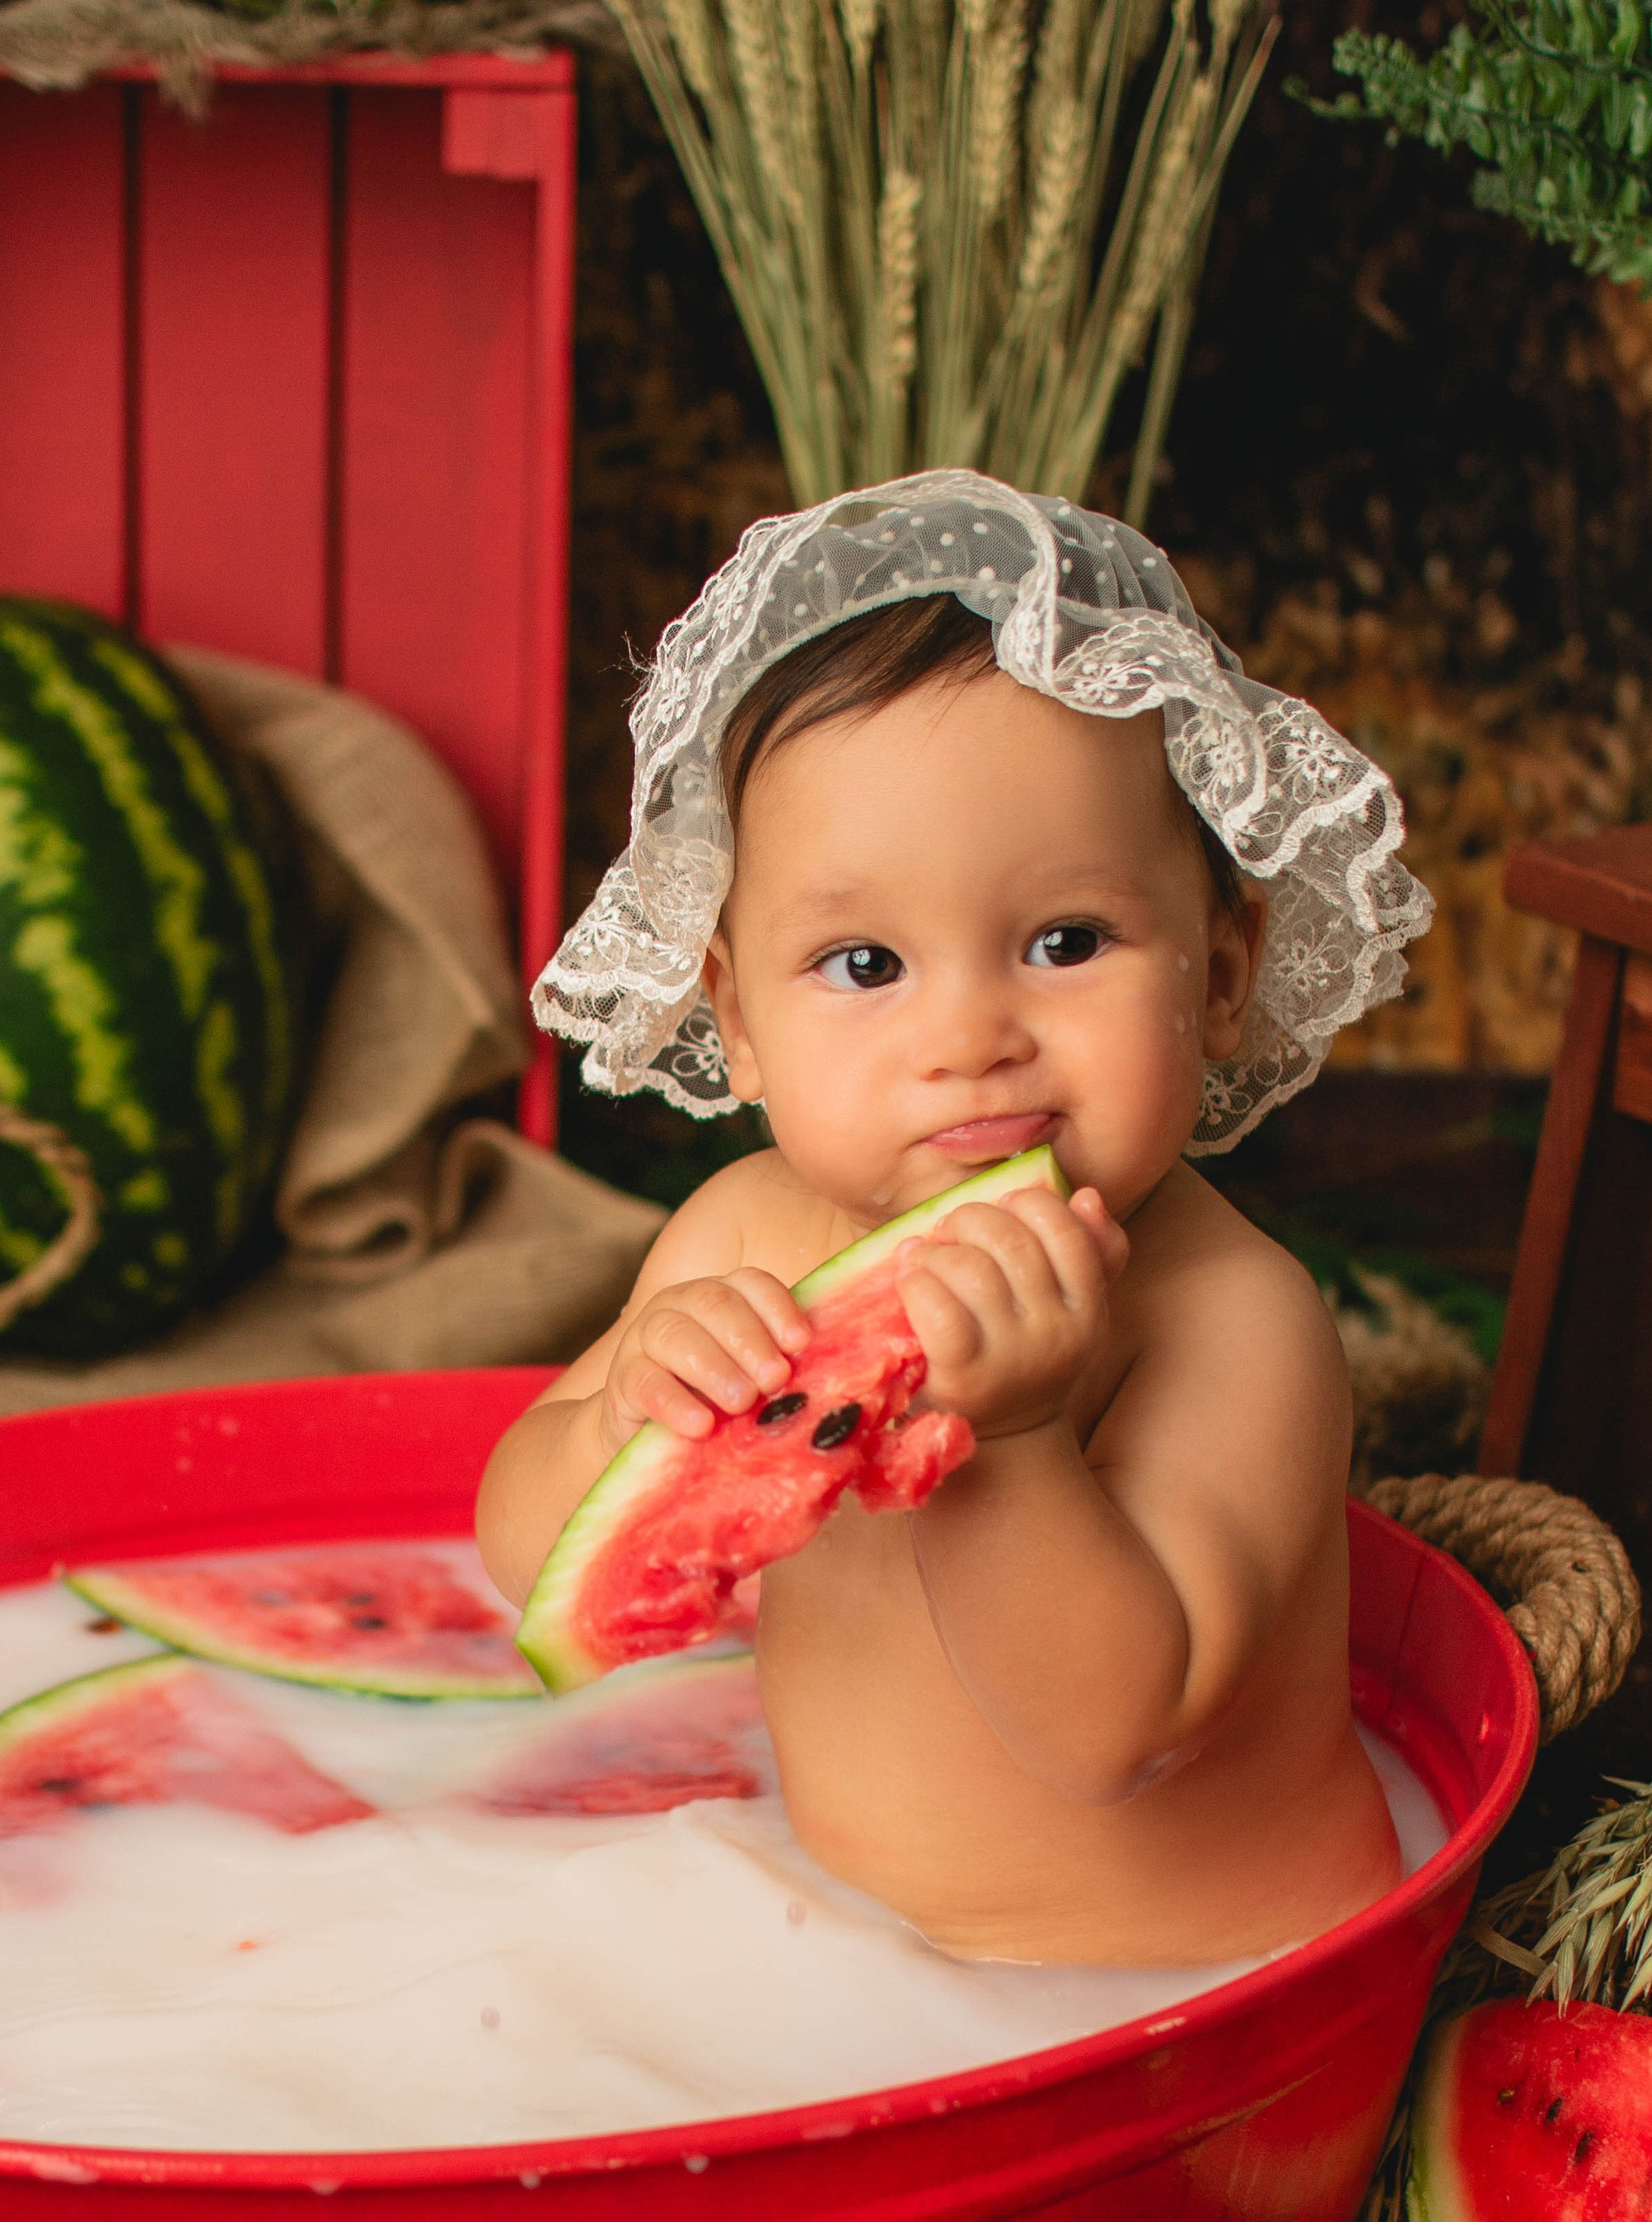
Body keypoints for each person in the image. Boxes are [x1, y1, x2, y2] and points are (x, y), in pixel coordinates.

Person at [478, 475, 1433, 1966]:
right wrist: (624, 1430)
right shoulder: (740, 1233)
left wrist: (1026, 1438)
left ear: (1224, 969)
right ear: (731, 1016)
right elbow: (528, 1551)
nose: (971, 1034)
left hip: (1192, 1998)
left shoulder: (1233, 1317)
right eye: (864, 963)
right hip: (861, 1965)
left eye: (1067, 942)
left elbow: (1120, 1729)